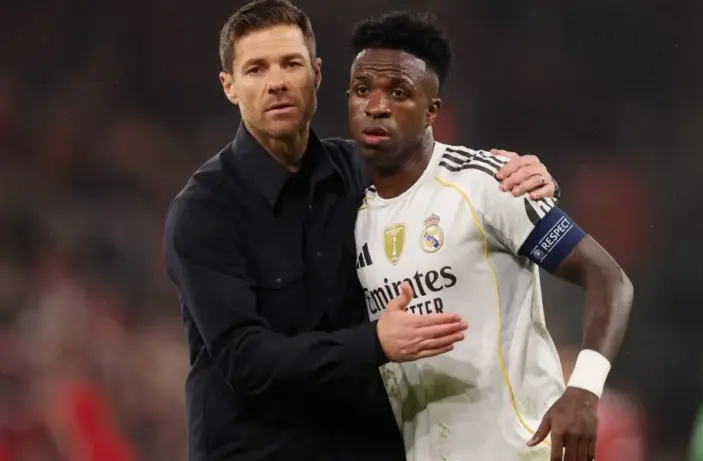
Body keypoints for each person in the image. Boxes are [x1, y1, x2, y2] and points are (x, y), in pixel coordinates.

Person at [163, 1, 558, 461]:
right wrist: (374, 343)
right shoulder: (203, 212)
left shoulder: (363, 171)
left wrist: (526, 182)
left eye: (291, 64)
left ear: (317, 74)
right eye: (256, 69)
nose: (276, 82)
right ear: (229, 86)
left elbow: (461, 181)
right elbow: (244, 360)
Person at [347, 11, 634, 461]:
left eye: (398, 92)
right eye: (363, 90)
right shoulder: (352, 217)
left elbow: (608, 278)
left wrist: (584, 389)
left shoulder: (489, 183)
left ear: (431, 111)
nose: (376, 106)